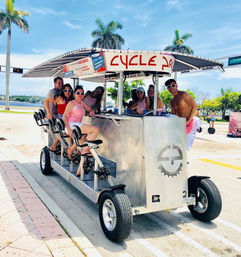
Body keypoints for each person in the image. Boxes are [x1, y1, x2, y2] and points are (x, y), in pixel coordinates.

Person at [63, 85, 99, 175]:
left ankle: (79, 170)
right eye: (78, 93)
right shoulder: (71, 103)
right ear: (74, 94)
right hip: (72, 126)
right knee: (95, 130)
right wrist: (68, 129)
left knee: (85, 142)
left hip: (79, 126)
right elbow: (64, 117)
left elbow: (90, 109)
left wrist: (91, 111)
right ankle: (83, 150)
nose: (80, 94)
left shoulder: (82, 103)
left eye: (82, 93)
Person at [165, 79, 197, 150]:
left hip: (187, 123)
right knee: (170, 139)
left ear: (177, 86)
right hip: (178, 124)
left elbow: (195, 106)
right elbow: (174, 114)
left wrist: (188, 120)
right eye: (169, 86)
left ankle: (183, 159)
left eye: (173, 85)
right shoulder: (172, 101)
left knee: (178, 140)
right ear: (167, 89)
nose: (171, 88)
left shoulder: (184, 95)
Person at [44, 84, 74, 152]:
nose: (67, 92)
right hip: (62, 120)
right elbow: (46, 101)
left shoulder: (72, 100)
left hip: (69, 119)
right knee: (68, 131)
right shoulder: (60, 98)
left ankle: (70, 149)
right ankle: (56, 146)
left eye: (69, 90)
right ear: (62, 91)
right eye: (65, 90)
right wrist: (48, 112)